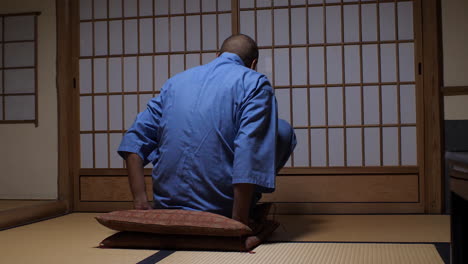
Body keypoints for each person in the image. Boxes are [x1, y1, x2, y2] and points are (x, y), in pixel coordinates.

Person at [118, 34, 296, 225]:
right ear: (253, 64)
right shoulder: (254, 82)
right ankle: (243, 205)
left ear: (217, 55)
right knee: (283, 131)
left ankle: (155, 203)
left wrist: (141, 201)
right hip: (221, 207)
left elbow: (135, 139)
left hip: (166, 203)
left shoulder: (175, 82)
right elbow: (249, 150)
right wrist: (239, 222)